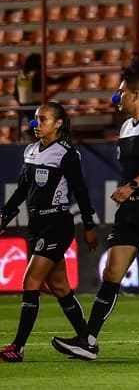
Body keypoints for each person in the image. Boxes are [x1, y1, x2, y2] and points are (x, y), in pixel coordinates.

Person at [51, 72, 139, 361]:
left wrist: (131, 186)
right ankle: (89, 341)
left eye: (120, 92)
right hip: (131, 209)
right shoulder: (127, 127)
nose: (116, 98)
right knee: (112, 272)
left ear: (135, 94)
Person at [0, 102, 98, 362]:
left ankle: (17, 347)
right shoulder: (31, 151)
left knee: (30, 281)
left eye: (42, 119)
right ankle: (87, 342)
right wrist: (5, 215)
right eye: (34, 119)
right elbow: (21, 190)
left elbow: (81, 191)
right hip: (37, 225)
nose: (35, 124)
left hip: (57, 224)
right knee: (59, 286)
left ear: (58, 124)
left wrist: (89, 226)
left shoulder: (66, 153)